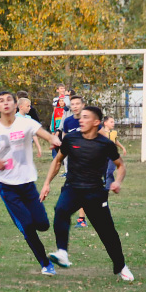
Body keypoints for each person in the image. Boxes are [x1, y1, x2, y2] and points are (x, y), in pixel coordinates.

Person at [40, 106, 134, 281]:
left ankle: (121, 266)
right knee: (61, 210)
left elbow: (121, 166)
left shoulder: (105, 144)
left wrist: (117, 182)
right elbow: (58, 161)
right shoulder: (71, 139)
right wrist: (46, 184)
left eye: (85, 117)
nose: (80, 120)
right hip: (72, 188)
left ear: (96, 122)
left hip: (95, 192)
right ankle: (62, 252)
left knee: (107, 233)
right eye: (80, 117)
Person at [0, 91, 62, 276]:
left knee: (43, 224)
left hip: (28, 184)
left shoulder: (26, 122)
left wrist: (54, 139)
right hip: (7, 186)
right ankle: (46, 264)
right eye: (1, 101)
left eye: (9, 100)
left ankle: (30, 227)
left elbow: (45, 135)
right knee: (28, 227)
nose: (6, 103)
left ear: (16, 105)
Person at [62, 95, 88, 228]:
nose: (75, 106)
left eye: (78, 103)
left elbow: (101, 137)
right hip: (72, 162)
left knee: (85, 191)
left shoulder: (89, 119)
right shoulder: (67, 122)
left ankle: (82, 218)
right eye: (73, 104)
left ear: (83, 105)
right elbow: (65, 140)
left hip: (88, 162)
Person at [102, 116, 127, 190]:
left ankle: (108, 188)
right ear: (105, 123)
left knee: (110, 172)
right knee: (104, 172)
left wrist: (123, 148)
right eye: (111, 122)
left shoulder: (114, 133)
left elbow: (115, 141)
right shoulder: (101, 132)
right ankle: (108, 182)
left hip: (112, 155)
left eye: (114, 122)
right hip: (103, 155)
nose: (113, 124)